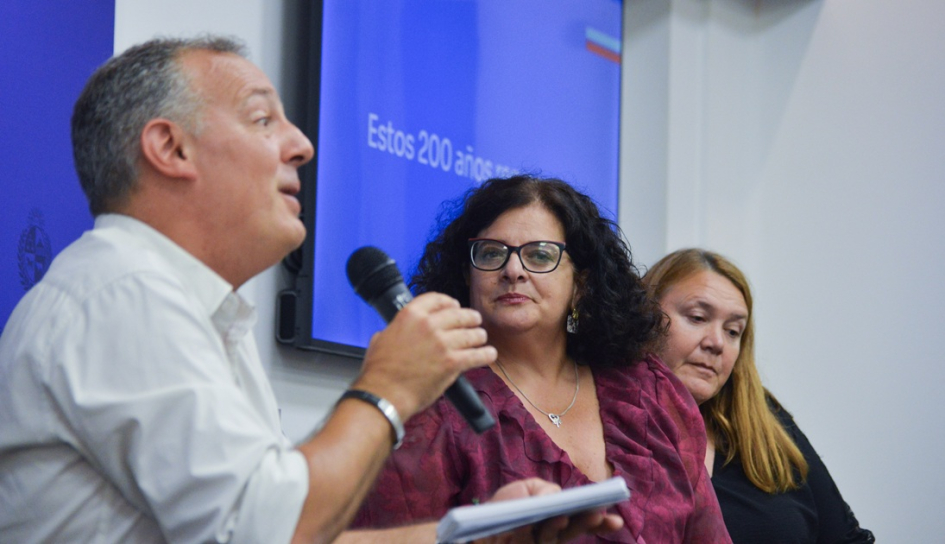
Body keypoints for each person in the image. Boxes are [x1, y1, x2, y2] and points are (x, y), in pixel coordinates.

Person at [0, 36, 621, 544]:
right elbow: (273, 532)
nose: (302, 145)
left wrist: (474, 536)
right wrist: (388, 388)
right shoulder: (121, 294)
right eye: (262, 118)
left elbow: (286, 526)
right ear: (170, 147)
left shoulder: (197, 308)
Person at [351, 175, 732, 543]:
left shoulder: (650, 390)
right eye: (491, 253)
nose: (512, 270)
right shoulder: (434, 405)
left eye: (539, 255)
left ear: (580, 284)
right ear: (466, 277)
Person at [643, 248, 874, 544]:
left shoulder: (762, 417)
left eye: (733, 331)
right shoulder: (603, 417)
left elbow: (846, 538)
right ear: (644, 315)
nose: (717, 343)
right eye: (698, 317)